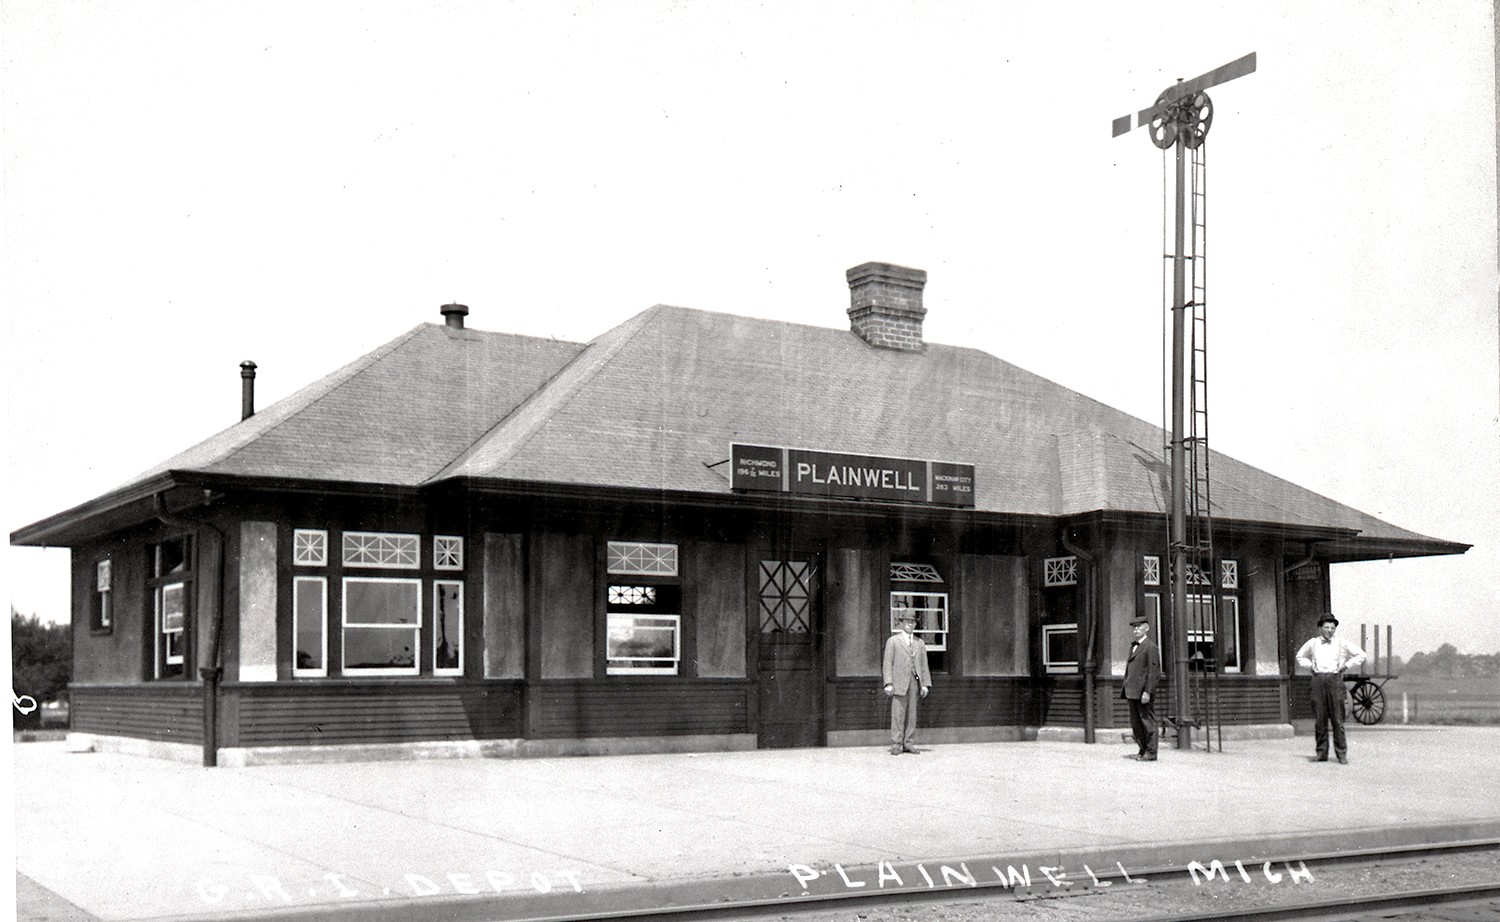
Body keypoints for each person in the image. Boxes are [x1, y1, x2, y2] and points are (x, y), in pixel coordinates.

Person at [1295, 614, 1367, 764]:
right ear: (1320, 628)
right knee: (1320, 719)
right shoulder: (1313, 643)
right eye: (1326, 627)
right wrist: (1311, 666)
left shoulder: (1341, 643)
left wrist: (1346, 665)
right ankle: (1321, 754)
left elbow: (1361, 655)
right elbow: (1300, 656)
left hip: (1335, 680)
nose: (1329, 630)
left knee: (1337, 719)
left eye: (1332, 628)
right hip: (1318, 680)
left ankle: (1341, 755)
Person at [882, 601, 931, 755]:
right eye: (907, 622)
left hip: (914, 683)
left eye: (912, 622)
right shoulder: (893, 641)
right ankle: (896, 744)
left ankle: (908, 743)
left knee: (912, 714)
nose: (910, 624)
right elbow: (887, 664)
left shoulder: (920, 643)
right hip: (898, 683)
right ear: (901, 623)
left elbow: (924, 666)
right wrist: (888, 683)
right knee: (898, 714)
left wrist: (925, 685)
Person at [1122, 617, 1162, 761]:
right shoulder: (1135, 646)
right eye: (1134, 627)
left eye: (1139, 627)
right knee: (1136, 724)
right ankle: (1142, 750)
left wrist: (1148, 691)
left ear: (1147, 628)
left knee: (1147, 722)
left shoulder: (1150, 647)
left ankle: (1151, 753)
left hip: (1143, 693)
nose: (1136, 629)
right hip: (1132, 691)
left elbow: (1154, 672)